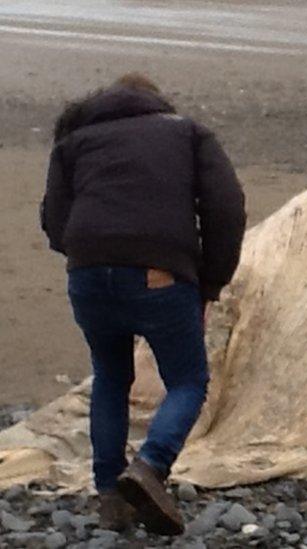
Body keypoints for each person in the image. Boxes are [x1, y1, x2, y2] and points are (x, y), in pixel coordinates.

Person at [41, 73, 246, 535]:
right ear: (158, 103)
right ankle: (150, 468)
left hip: (87, 274)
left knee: (111, 378)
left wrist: (90, 256)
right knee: (189, 380)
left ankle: (110, 494)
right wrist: (209, 282)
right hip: (160, 274)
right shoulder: (187, 133)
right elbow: (227, 206)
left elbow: (55, 220)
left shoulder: (75, 141)